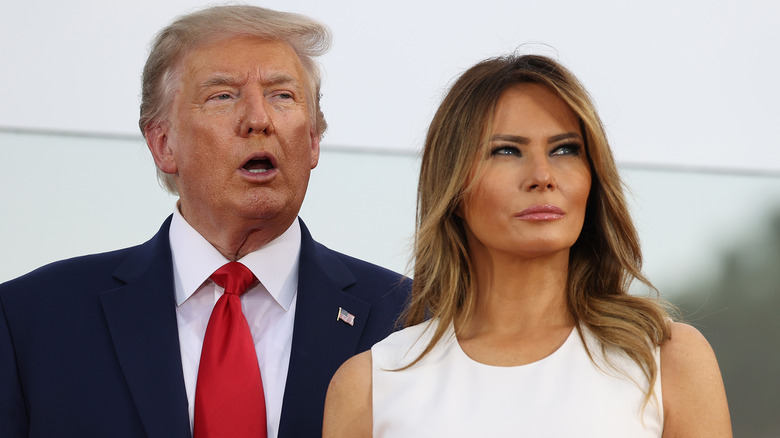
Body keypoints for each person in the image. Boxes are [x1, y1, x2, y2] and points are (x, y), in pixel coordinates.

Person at [0, 5, 409, 438]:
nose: (258, 119)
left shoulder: (408, 319)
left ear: (312, 141)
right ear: (163, 144)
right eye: (223, 95)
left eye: (282, 95)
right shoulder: (33, 319)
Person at [324, 54, 732, 437]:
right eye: (507, 150)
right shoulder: (371, 383)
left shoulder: (667, 361)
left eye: (565, 150)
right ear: (453, 186)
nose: (542, 176)